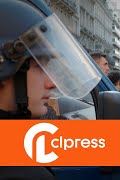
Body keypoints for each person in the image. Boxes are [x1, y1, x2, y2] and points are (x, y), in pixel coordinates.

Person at [0, 0, 102, 178]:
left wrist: (112, 143)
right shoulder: (19, 172)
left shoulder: (12, 142)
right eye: (40, 67)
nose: (52, 83)